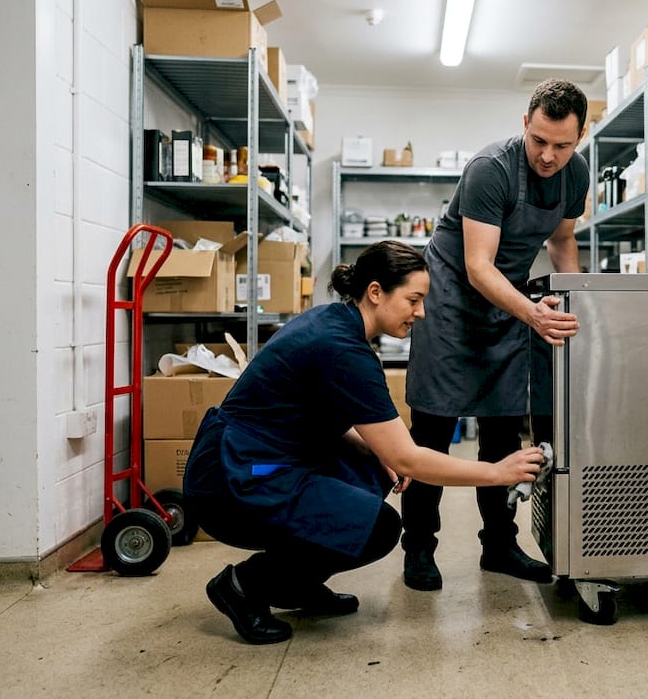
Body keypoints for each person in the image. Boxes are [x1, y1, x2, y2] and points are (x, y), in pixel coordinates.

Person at [183, 240, 545, 645]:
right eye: (413, 299)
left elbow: (321, 415)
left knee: (368, 472)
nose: (421, 312)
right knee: (377, 527)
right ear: (376, 292)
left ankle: (295, 585)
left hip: (257, 459)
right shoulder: (344, 350)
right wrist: (497, 472)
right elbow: (408, 458)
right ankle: (244, 584)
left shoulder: (335, 321)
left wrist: (376, 450)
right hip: (235, 477)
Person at [402, 78, 589, 591]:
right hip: (455, 303)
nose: (549, 155)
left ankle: (500, 546)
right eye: (539, 141)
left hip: (509, 304)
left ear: (580, 137)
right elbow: (478, 266)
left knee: (503, 432)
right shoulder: (491, 170)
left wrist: (572, 303)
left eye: (562, 145)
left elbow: (563, 239)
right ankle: (418, 546)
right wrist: (532, 313)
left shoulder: (576, 175)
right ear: (524, 124)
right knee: (433, 433)